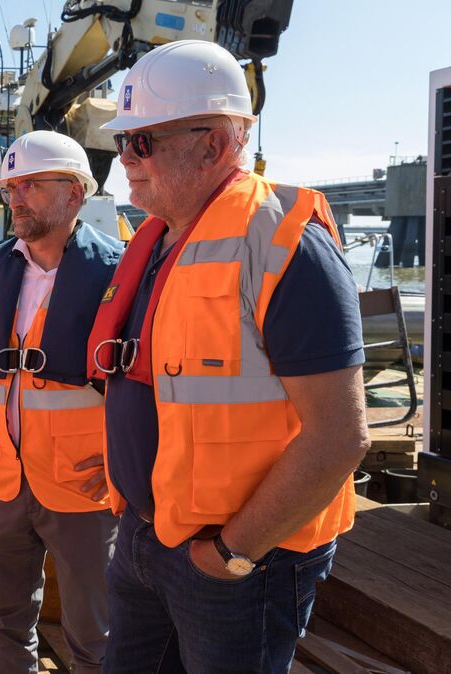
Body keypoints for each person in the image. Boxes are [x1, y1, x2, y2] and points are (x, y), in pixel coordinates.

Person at [86, 40, 370, 672]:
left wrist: (232, 554)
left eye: (142, 142)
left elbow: (338, 437)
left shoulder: (285, 244)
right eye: (122, 141)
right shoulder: (157, 241)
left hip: (236, 566)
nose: (124, 160)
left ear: (212, 144)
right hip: (145, 535)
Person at [0, 130, 121, 674]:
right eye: (10, 187)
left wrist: (125, 468)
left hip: (82, 485)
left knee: (93, 636)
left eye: (31, 184)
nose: (16, 198)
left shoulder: (116, 274)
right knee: (3, 618)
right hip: (4, 479)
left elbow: (147, 384)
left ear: (74, 193)